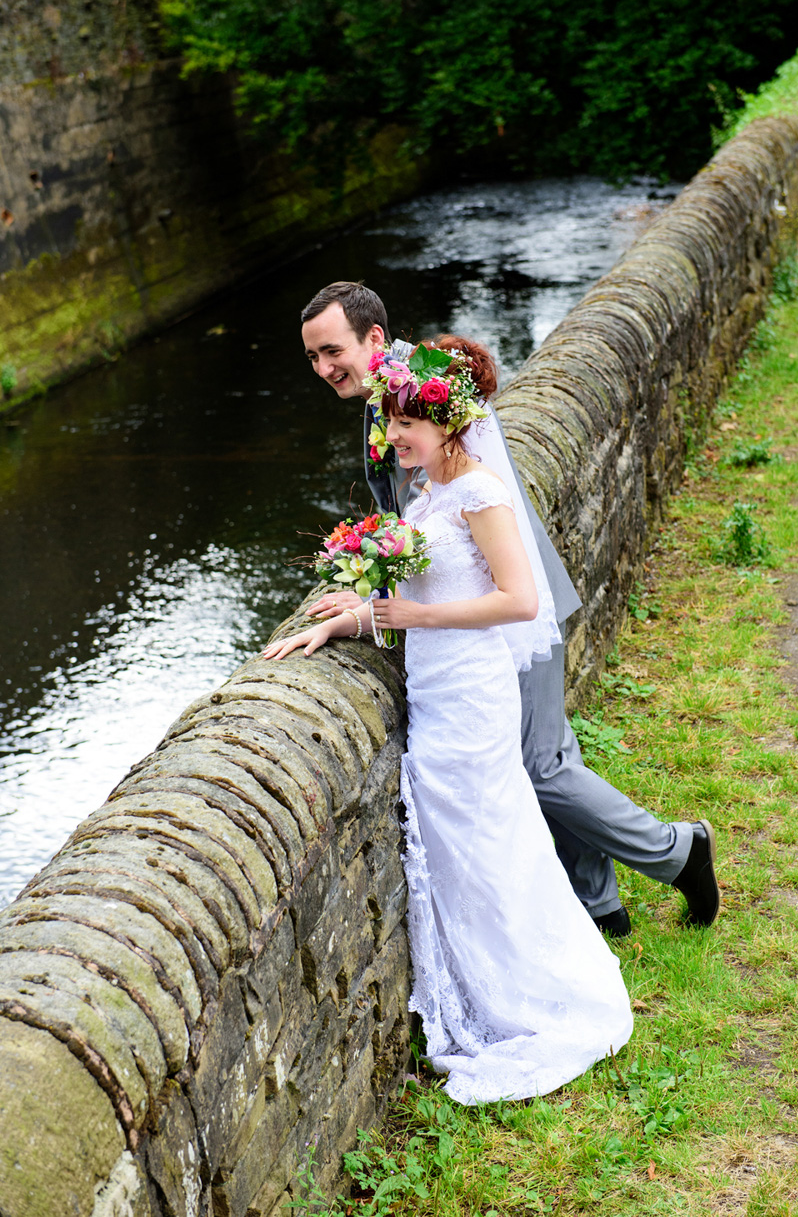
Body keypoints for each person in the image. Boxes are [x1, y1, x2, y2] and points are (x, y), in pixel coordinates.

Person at [264, 336, 633, 1103]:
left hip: (470, 692)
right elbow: (421, 599)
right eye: (390, 425)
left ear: (449, 425)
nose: (392, 438)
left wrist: (404, 615)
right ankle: (486, 982)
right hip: (437, 688)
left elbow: (518, 602)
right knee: (458, 833)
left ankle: (523, 993)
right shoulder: (428, 495)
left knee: (480, 832)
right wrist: (344, 621)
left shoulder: (480, 495)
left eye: (406, 427)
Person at [298, 281, 721, 937]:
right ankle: (597, 900)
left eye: (332, 351)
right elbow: (418, 526)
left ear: (374, 340)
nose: (324, 369)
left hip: (501, 605)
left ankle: (676, 851)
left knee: (538, 764)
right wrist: (371, 591)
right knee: (549, 755)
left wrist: (378, 598)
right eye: (313, 358)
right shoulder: (400, 384)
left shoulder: (423, 391)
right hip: (484, 596)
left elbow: (451, 518)